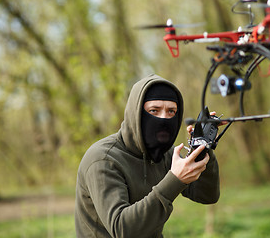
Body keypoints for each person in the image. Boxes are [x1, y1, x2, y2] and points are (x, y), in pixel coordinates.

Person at [75, 74, 220, 238]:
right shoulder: (103, 159)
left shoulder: (165, 153)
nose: (164, 118)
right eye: (154, 110)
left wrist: (202, 148)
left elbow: (207, 195)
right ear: (136, 114)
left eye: (171, 111)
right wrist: (175, 180)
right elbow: (123, 230)